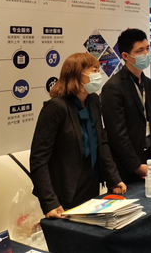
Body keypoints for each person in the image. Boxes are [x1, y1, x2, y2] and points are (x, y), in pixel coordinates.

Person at [30, 53, 126, 218]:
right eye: (94, 70)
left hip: (91, 182)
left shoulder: (93, 100)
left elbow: (101, 142)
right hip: (64, 190)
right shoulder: (56, 107)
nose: (98, 75)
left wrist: (114, 178)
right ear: (77, 75)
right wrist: (49, 202)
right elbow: (38, 158)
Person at [101, 29, 151, 183]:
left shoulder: (149, 84)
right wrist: (136, 166)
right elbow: (117, 134)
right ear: (125, 56)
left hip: (150, 158)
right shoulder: (113, 87)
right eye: (139, 51)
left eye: (147, 48)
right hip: (126, 165)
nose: (146, 54)